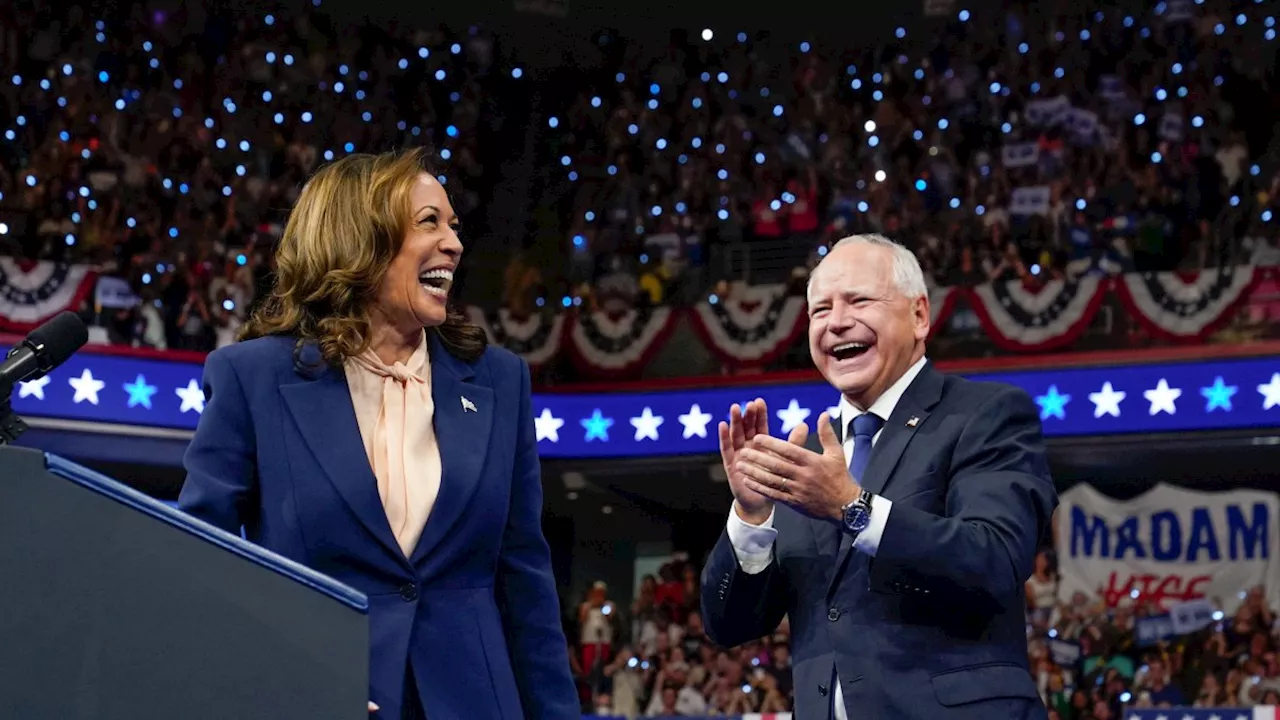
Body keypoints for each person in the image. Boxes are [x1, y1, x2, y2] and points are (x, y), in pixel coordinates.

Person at [178, 148, 578, 720]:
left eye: (455, 226)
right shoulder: (252, 378)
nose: (454, 244)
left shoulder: (500, 380)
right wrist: (279, 684)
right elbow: (201, 570)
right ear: (359, 239)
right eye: (429, 223)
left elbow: (525, 586)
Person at [701, 233, 1058, 719]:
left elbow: (996, 559)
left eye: (858, 300)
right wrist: (751, 515)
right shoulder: (803, 462)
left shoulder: (987, 414)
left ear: (918, 315)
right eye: (820, 310)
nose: (837, 322)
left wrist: (853, 508)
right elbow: (730, 626)